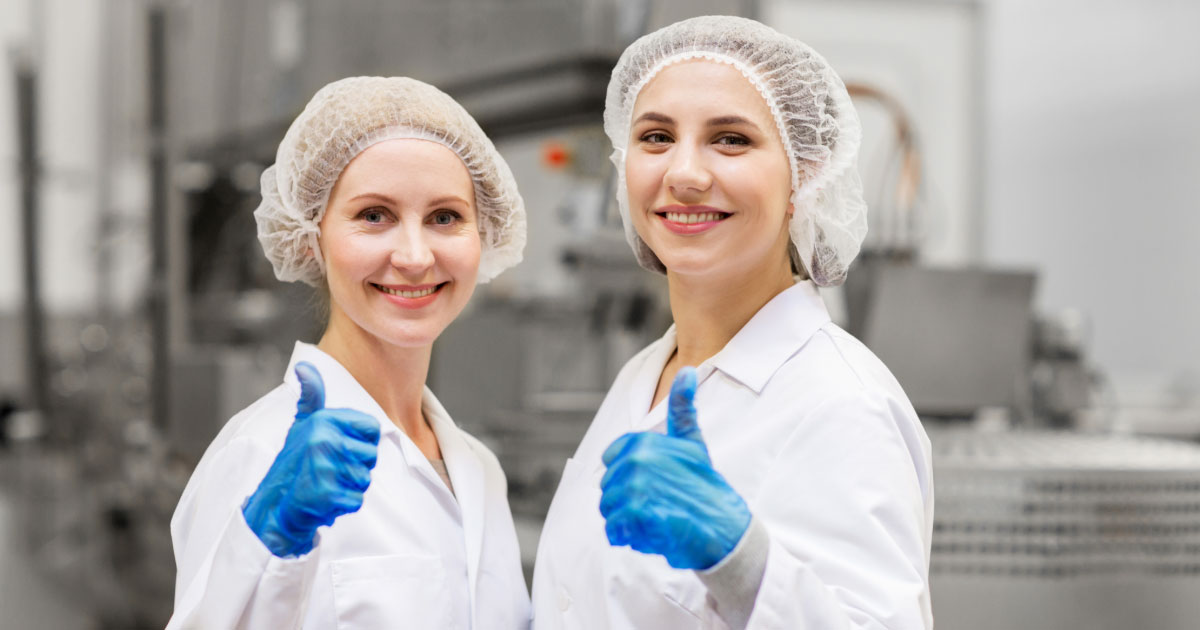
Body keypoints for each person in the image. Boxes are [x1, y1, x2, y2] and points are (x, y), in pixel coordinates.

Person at [531, 15, 933, 630]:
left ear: (804, 178)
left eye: (731, 140)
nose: (685, 174)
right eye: (657, 137)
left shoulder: (841, 403)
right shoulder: (646, 375)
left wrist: (739, 560)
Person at [169, 76, 530, 629]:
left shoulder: (479, 470)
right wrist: (267, 536)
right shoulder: (266, 453)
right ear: (313, 238)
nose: (414, 256)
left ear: (484, 237)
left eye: (445, 217)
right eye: (373, 216)